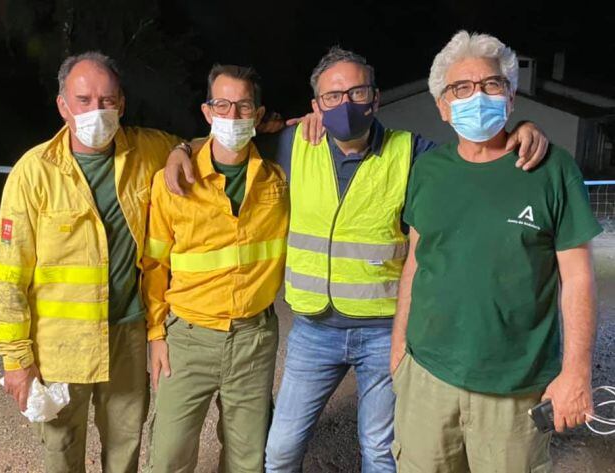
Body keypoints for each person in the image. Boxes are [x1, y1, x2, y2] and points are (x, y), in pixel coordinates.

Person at [164, 46, 549, 473]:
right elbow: (228, 136)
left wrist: (523, 128)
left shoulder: (411, 153)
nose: (345, 105)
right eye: (332, 96)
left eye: (357, 93)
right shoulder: (293, 143)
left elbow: (472, 153)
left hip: (382, 330)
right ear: (316, 105)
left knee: (379, 450)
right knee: (280, 450)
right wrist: (182, 147)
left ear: (376, 98)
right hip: (314, 330)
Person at [390, 31, 602, 472]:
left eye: (490, 85)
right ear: (443, 107)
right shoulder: (429, 171)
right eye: (461, 88)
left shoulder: (551, 169)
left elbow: (579, 278)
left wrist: (576, 373)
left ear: (510, 95)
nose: (477, 96)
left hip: (514, 392)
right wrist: (399, 354)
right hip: (426, 379)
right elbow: (416, 261)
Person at [0, 51, 183, 472]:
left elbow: (201, 148)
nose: (97, 110)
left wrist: (183, 150)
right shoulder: (33, 173)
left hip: (126, 337)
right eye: (84, 100)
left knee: (125, 448)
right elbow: (6, 278)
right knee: (61, 453)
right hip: (60, 346)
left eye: (107, 100)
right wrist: (17, 360)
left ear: (122, 104)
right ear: (63, 106)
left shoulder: (147, 152)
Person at [142, 64, 288, 472]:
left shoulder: (277, 183)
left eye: (243, 107)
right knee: (168, 456)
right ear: (207, 113)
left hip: (254, 339)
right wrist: (156, 334)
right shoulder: (173, 181)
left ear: (258, 116)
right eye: (222, 105)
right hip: (187, 339)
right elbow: (154, 264)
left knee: (247, 459)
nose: (233, 116)